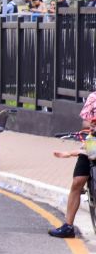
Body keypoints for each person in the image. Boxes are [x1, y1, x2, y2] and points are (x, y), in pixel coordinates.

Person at [48, 91, 96, 238]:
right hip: (92, 143)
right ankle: (68, 226)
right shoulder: (93, 97)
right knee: (78, 182)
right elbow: (85, 122)